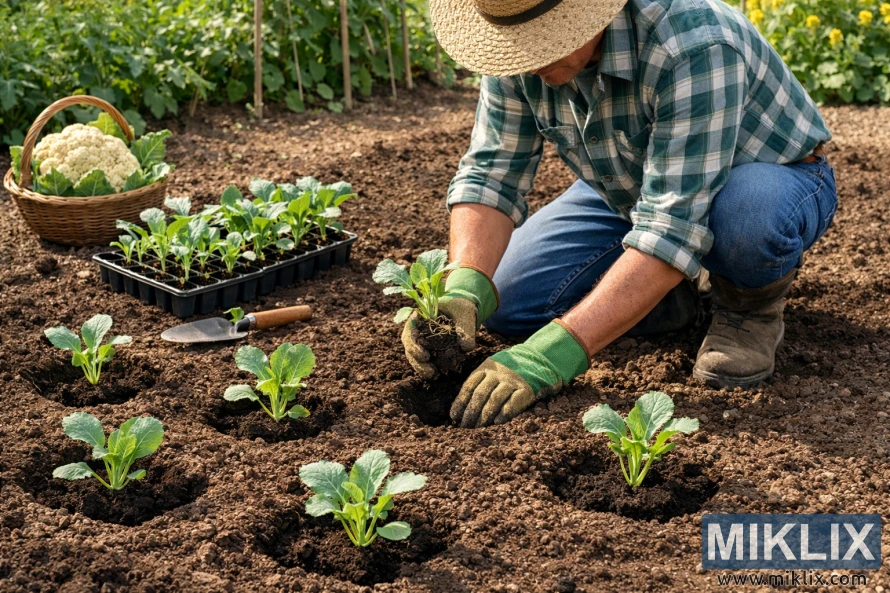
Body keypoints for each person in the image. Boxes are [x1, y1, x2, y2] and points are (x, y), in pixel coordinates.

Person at [402, 0, 836, 427]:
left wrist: (550, 355)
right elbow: (491, 174)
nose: (525, 60)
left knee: (745, 219)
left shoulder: (692, 42)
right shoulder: (512, 45)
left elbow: (672, 227)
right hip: (629, 190)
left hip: (766, 181)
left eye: (538, 43)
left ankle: (747, 309)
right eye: (514, 44)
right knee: (509, 302)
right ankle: (673, 292)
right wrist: (463, 286)